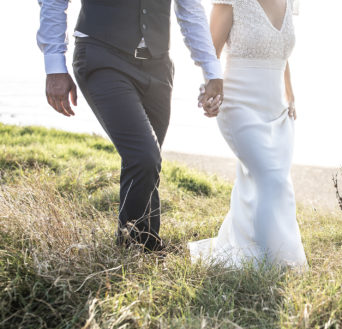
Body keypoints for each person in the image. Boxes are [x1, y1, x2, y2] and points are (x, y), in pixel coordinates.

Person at [37, 0, 224, 252]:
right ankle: (130, 250)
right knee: (143, 156)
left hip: (158, 66)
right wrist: (54, 66)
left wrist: (212, 72)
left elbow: (190, 10)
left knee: (147, 161)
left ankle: (146, 245)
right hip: (102, 58)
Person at [188, 0, 306, 268]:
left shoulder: (288, 3)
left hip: (277, 111)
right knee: (271, 179)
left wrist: (291, 94)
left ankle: (264, 254)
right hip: (239, 106)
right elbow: (210, 53)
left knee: (269, 182)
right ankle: (271, 264)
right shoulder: (230, 2)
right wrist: (208, 90)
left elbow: (281, 52)